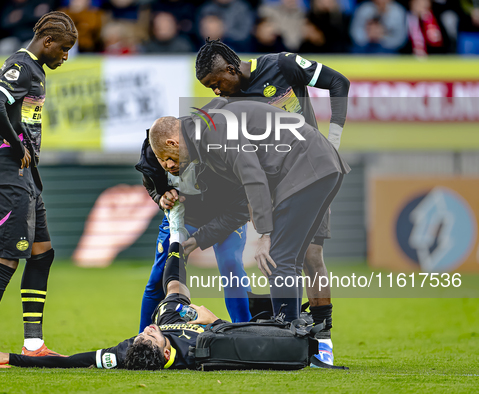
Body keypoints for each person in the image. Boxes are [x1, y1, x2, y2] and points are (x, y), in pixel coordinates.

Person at [149, 99, 349, 366]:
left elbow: (253, 176)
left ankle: (289, 344)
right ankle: (313, 345)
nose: (172, 168)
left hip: (306, 167)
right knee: (294, 259)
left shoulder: (213, 131)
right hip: (322, 166)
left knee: (279, 257)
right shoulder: (207, 126)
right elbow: (246, 193)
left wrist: (265, 234)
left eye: (169, 160)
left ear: (173, 143)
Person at [194, 39, 350, 365]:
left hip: (308, 171)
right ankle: (291, 333)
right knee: (280, 258)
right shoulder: (230, 103)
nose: (216, 92)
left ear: (231, 69)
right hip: (273, 184)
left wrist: (333, 138)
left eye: (216, 83)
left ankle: (321, 342)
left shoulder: (282, 64)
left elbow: (339, 82)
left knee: (310, 255)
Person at [0, 11, 77, 368]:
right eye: (65, 48)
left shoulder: (36, 70)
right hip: (4, 169)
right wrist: (18, 143)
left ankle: (34, 344)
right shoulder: (21, 65)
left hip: (23, 174)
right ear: (48, 42)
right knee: (7, 258)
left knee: (42, 253)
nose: (66, 56)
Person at [0, 216, 221, 369]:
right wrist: (216, 322)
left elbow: (70, 362)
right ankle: (179, 244)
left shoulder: (122, 354)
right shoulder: (195, 354)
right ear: (165, 353)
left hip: (170, 326)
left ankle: (176, 241)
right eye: (149, 336)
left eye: (139, 337)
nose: (146, 330)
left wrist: (9, 358)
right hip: (195, 328)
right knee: (175, 290)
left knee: (172, 289)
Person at [136, 129, 252, 331]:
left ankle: (248, 334)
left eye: (171, 158)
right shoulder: (152, 151)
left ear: (175, 143)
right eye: (162, 160)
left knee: (231, 265)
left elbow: (241, 210)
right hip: (185, 215)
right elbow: (152, 185)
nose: (168, 165)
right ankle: (142, 340)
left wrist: (198, 240)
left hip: (225, 214)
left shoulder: (221, 150)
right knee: (159, 275)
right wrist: (161, 198)